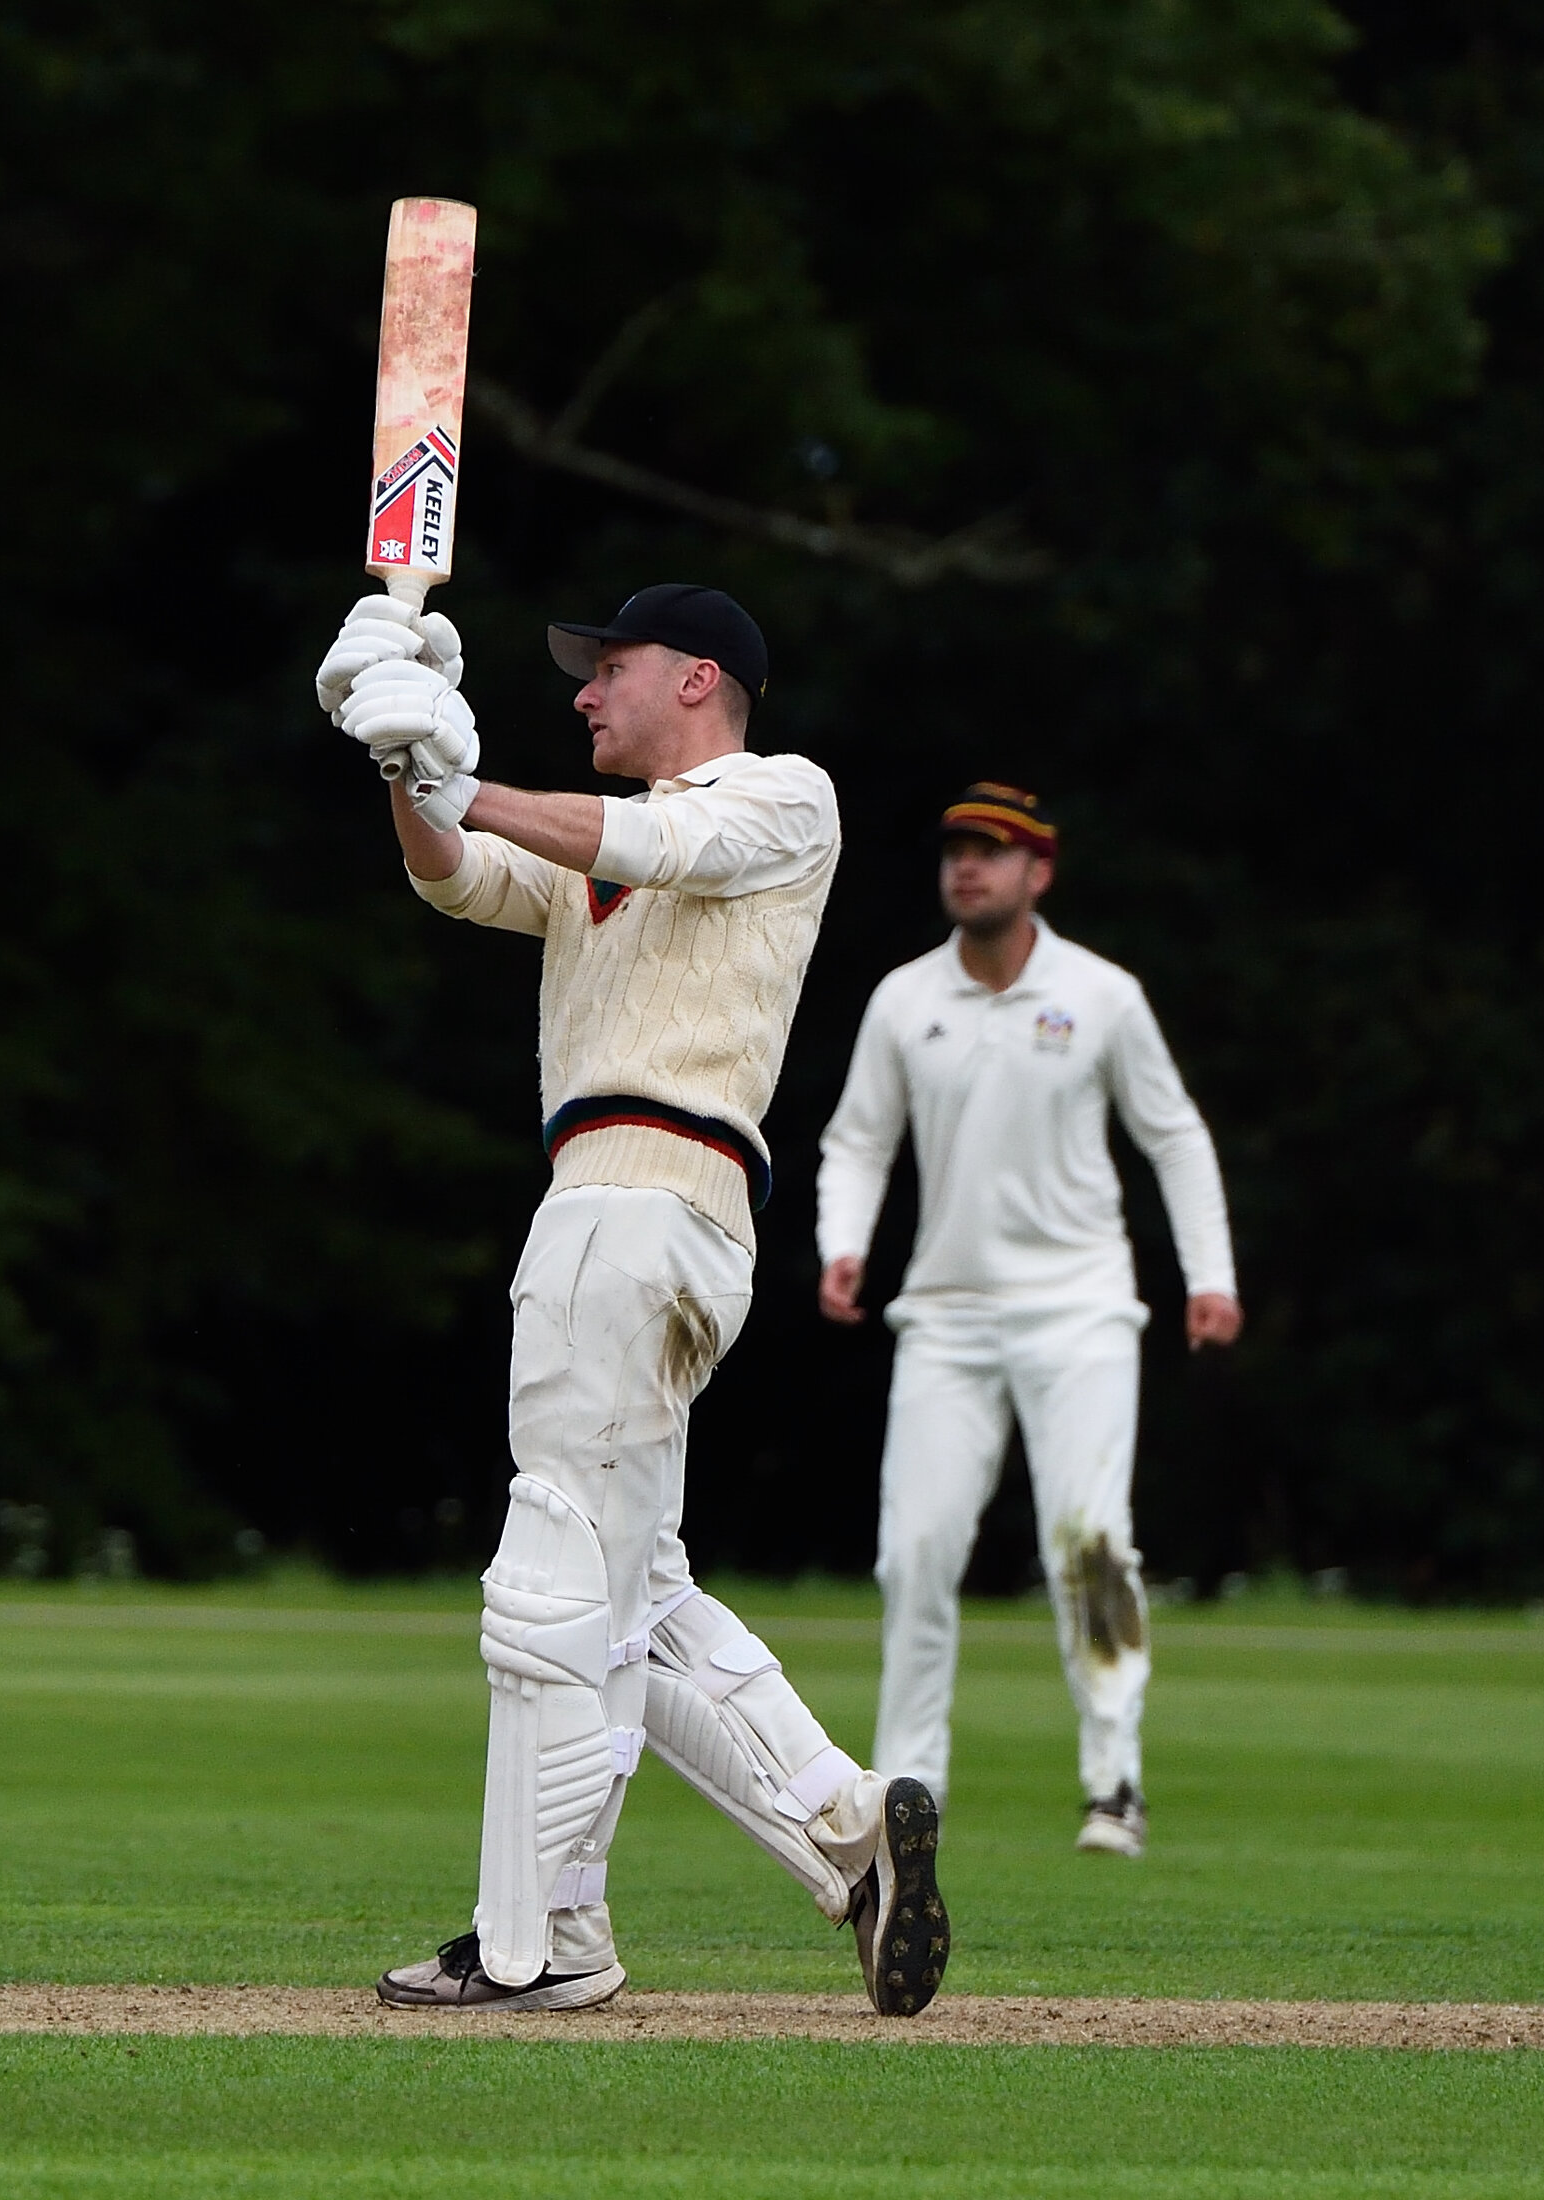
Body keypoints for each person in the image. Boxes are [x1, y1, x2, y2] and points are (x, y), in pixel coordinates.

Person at [314, 582, 948, 2014]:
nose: (588, 690)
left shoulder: (781, 798)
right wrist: (403, 772)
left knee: (550, 1578)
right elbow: (457, 876)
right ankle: (853, 1834)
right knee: (629, 1589)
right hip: (636, 1215)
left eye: (615, 668)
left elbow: (649, 843)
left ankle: (543, 1941)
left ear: (701, 678)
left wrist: (463, 770)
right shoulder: (592, 850)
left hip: (642, 1200)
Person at [815, 783, 1241, 1857]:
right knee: (913, 1551)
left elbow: (1175, 1136)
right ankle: (910, 1787)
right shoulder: (905, 999)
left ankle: (1114, 1781)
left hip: (1081, 1309)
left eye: (993, 852)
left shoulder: (1099, 996)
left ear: (1037, 872)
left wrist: (1210, 1275)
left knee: (1090, 1548)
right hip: (946, 1316)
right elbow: (858, 1139)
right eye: (957, 848)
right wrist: (844, 1244)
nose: (969, 868)